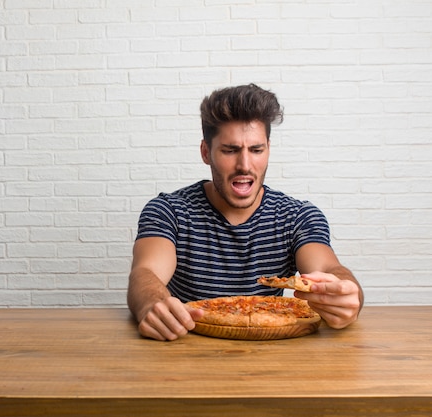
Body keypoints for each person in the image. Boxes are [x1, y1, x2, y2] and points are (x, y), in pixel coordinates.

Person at [127, 84, 364, 341]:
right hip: (186, 348)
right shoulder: (168, 211)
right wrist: (152, 303)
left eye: (256, 150)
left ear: (268, 150)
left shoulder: (298, 216)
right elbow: (146, 274)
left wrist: (348, 296)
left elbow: (330, 269)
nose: (245, 165)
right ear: (206, 153)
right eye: (230, 150)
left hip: (273, 356)